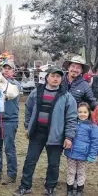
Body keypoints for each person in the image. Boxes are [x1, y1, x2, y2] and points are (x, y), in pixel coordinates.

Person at [13, 66, 77, 196]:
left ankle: (50, 188)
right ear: (47, 77)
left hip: (56, 135)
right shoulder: (36, 92)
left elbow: (71, 118)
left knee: (54, 164)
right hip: (37, 133)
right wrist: (27, 126)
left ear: (61, 79)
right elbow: (28, 108)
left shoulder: (66, 96)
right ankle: (25, 186)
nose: (55, 79)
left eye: (58, 76)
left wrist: (69, 137)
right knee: (30, 160)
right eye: (53, 76)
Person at [64, 102, 98, 196]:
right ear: (76, 112)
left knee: (81, 173)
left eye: (85, 112)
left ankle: (79, 191)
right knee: (70, 172)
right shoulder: (72, 124)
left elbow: (95, 142)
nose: (82, 114)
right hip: (71, 153)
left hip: (84, 154)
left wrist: (92, 154)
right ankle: (69, 190)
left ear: (89, 113)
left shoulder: (93, 127)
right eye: (79, 112)